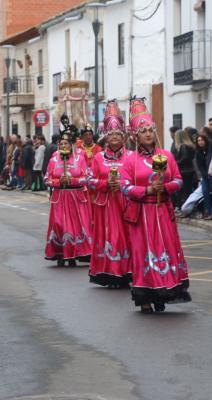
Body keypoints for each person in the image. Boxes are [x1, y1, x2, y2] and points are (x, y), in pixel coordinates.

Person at [120, 97, 191, 313]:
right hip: (141, 213)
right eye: (143, 131)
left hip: (163, 211)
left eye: (150, 129)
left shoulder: (166, 155)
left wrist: (166, 187)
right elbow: (124, 187)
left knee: (166, 250)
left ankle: (165, 291)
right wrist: (147, 190)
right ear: (136, 136)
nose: (148, 134)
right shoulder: (130, 160)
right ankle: (145, 296)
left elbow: (179, 180)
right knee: (143, 252)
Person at [88, 101, 132, 288]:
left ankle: (127, 270)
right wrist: (105, 184)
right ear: (105, 137)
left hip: (126, 203)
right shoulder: (98, 158)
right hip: (106, 206)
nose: (114, 137)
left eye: (118, 134)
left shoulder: (131, 156)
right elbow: (89, 180)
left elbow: (138, 179)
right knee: (109, 236)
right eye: (111, 134)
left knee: (126, 237)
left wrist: (123, 185)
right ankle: (110, 272)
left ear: (123, 137)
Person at [44, 129, 92, 267]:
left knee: (76, 227)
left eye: (66, 143)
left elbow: (87, 177)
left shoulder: (80, 158)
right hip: (60, 197)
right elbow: (47, 179)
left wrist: (73, 181)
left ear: (71, 145)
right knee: (59, 225)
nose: (64, 146)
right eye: (61, 144)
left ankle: (74, 254)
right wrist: (59, 182)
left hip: (76, 197)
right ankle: (60, 253)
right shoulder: (54, 159)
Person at [173, 129, 196, 208]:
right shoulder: (190, 146)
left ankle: (183, 207)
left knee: (182, 191)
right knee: (187, 190)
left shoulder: (183, 146)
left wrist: (176, 163)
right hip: (190, 171)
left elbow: (185, 158)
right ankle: (186, 207)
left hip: (184, 171)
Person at [193, 131, 210, 218]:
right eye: (198, 140)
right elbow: (200, 166)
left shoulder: (209, 149)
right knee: (205, 192)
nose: (200, 142)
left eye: (202, 140)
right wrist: (204, 176)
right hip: (204, 176)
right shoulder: (198, 152)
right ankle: (207, 210)